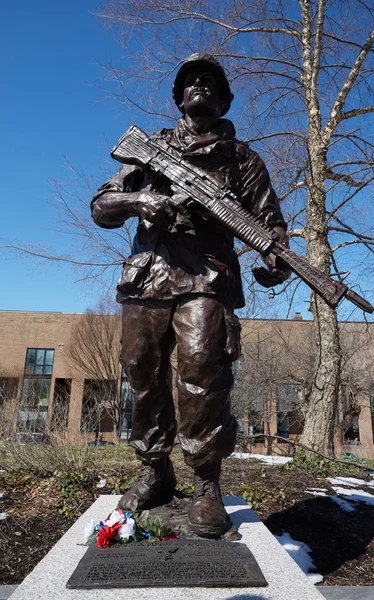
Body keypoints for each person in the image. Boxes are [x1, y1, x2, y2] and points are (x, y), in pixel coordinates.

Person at [91, 53, 289, 538]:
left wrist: (275, 259)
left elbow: (271, 227)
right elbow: (101, 206)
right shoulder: (150, 151)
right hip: (148, 278)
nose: (198, 86)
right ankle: (155, 472)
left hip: (207, 279)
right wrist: (140, 199)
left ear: (223, 100)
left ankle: (205, 484)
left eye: (209, 82)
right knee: (142, 375)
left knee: (203, 373)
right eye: (190, 82)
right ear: (179, 97)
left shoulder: (243, 160)